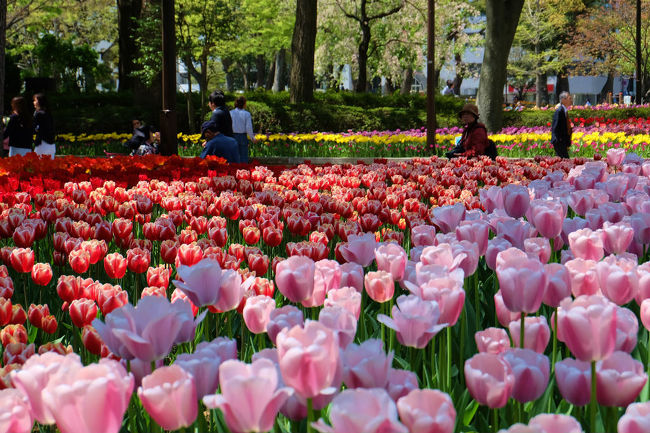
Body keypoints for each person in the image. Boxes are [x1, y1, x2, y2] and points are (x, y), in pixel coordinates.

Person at [230, 96, 256, 163]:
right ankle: (244, 171)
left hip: (232, 136)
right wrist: (252, 137)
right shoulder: (247, 114)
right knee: (243, 157)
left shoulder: (230, 113)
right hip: (242, 137)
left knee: (233, 156)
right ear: (244, 104)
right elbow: (248, 127)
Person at [33, 93, 56, 159]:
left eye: (35, 100)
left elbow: (34, 127)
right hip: (51, 143)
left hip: (42, 143)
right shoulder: (48, 113)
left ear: (40, 102)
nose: (33, 102)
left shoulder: (38, 113)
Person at [551, 91, 572, 158]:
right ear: (563, 100)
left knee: (563, 161)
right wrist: (557, 140)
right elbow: (555, 126)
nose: (571, 100)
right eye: (569, 98)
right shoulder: (559, 111)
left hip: (563, 141)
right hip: (559, 141)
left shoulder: (564, 110)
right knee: (564, 161)